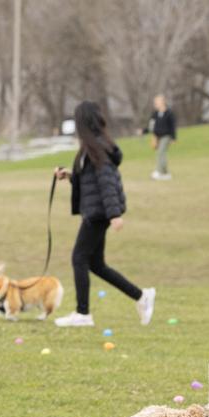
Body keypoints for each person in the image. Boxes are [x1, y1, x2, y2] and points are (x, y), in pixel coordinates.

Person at [53, 101, 155, 327]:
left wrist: (114, 214)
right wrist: (69, 175)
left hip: (98, 213)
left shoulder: (97, 148)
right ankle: (141, 296)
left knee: (79, 258)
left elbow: (107, 183)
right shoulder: (92, 146)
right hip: (95, 211)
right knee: (96, 264)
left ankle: (83, 314)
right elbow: (90, 179)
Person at [144, 95, 176, 180]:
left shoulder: (168, 113)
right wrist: (143, 131)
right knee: (160, 153)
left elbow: (172, 126)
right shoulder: (155, 114)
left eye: (157, 102)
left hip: (166, 136)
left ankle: (159, 172)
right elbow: (151, 126)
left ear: (162, 102)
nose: (155, 104)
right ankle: (165, 173)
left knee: (161, 152)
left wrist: (173, 138)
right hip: (157, 137)